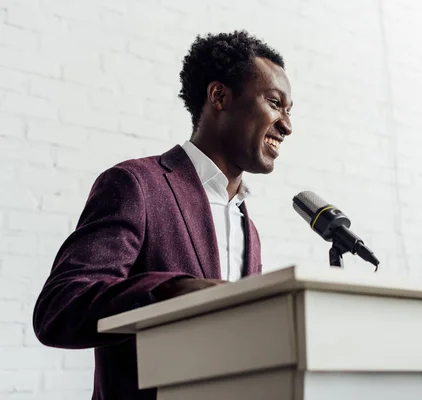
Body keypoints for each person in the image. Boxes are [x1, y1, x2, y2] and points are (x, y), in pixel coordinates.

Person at [32, 30, 293, 400]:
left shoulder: (247, 226)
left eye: (288, 110)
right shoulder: (136, 185)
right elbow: (59, 308)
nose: (286, 124)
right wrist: (172, 289)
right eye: (274, 103)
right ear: (219, 96)